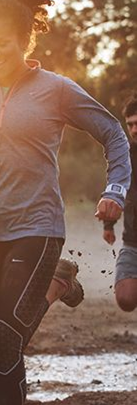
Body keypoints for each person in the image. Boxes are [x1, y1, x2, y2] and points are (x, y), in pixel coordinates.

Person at [0, 0, 131, 404]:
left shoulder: (56, 90)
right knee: (1, 347)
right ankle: (58, 283)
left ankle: (58, 280)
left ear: (25, 40)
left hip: (37, 226)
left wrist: (114, 189)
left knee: (5, 334)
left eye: (2, 42)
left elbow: (113, 132)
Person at [103, 95, 137, 312]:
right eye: (130, 124)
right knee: (125, 299)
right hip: (133, 241)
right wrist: (108, 225)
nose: (134, 129)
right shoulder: (126, 156)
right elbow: (116, 188)